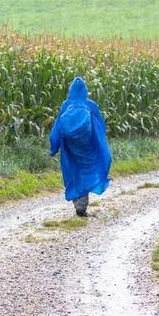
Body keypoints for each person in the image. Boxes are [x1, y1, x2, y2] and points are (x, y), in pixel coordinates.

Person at [49, 77, 112, 217]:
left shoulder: (66, 105)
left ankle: (78, 204)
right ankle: (82, 205)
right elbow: (101, 126)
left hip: (71, 148)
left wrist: (54, 147)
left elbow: (57, 127)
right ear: (85, 91)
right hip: (88, 147)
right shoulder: (91, 105)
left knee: (73, 172)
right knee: (87, 171)